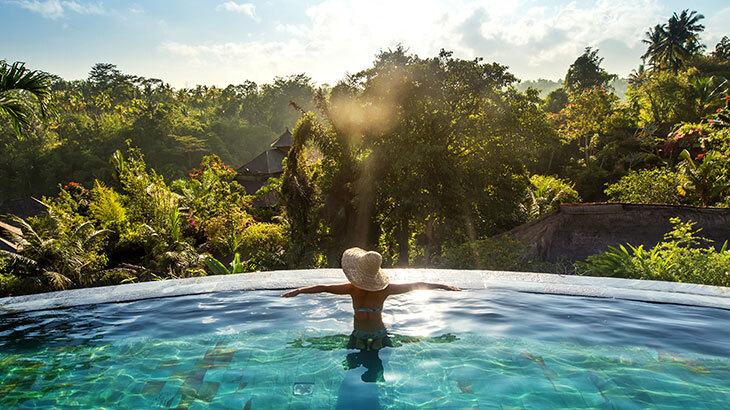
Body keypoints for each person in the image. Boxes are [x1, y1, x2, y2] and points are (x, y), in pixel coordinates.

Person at [281, 247, 461, 353]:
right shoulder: (385, 290)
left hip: (358, 335)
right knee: (379, 366)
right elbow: (417, 285)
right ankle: (441, 341)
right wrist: (444, 286)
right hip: (379, 336)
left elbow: (323, 287)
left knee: (351, 361)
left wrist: (298, 291)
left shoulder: (352, 289)